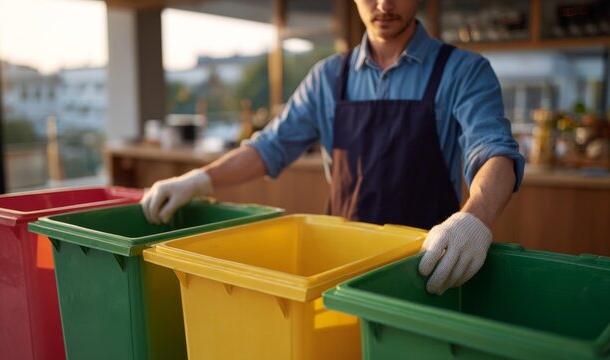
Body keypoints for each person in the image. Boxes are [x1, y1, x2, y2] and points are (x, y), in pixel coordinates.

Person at [141, 0, 525, 295]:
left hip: (426, 268)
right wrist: (198, 180)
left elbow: (494, 153)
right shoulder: (328, 78)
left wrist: (475, 217)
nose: (383, 5)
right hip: (341, 266)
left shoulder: (464, 72)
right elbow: (269, 147)